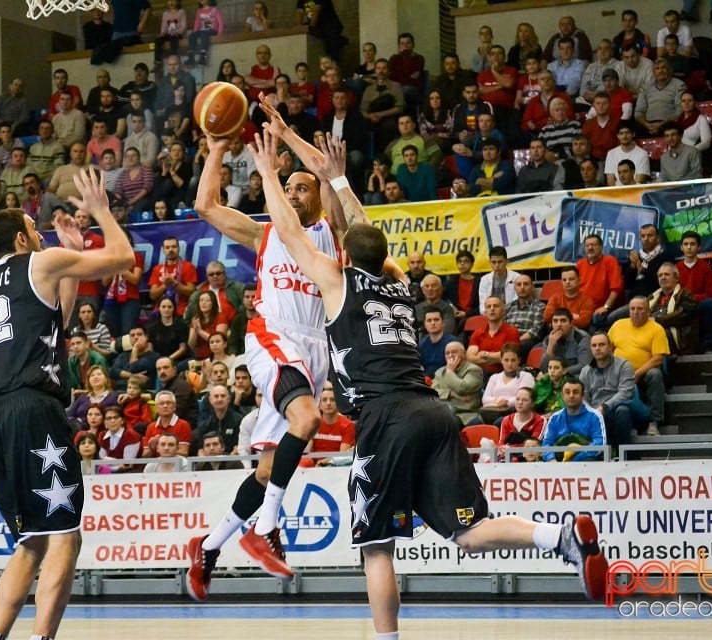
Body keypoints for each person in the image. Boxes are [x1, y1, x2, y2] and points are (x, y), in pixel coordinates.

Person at [248, 130, 607, 637]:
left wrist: (267, 172)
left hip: (384, 418)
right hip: (435, 411)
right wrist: (341, 181)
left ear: (345, 255)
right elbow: (368, 232)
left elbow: (288, 232)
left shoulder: (336, 281)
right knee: (468, 530)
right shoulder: (398, 280)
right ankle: (559, 535)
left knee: (376, 548)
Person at [187, 110, 363, 599]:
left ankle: (209, 546)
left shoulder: (332, 232)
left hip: (315, 347)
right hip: (273, 336)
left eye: (300, 189)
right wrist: (219, 146)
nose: (292, 193)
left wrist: (287, 137)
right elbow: (205, 204)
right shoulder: (265, 233)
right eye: (287, 188)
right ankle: (266, 528)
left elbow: (328, 176)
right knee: (307, 420)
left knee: (268, 470)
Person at [0, 169, 135, 640]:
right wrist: (102, 211)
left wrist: (75, 251)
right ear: (22, 239)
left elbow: (55, 321)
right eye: (34, 229)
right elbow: (122, 257)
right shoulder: (38, 262)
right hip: (29, 408)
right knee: (65, 534)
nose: (40, 234)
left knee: (30, 540)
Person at [608, 297, 670, 436]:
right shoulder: (618, 325)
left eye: (640, 309)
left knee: (655, 374)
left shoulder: (656, 329)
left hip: (644, 372)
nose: (636, 312)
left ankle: (654, 421)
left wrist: (637, 373)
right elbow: (607, 350)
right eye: (632, 309)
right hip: (619, 372)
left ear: (648, 311)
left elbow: (658, 359)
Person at [579, 332, 635, 451]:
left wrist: (605, 407)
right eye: (594, 345)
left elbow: (625, 393)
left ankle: (625, 457)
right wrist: (592, 412)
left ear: (610, 347)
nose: (597, 348)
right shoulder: (585, 371)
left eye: (601, 345)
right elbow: (583, 397)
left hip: (617, 409)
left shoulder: (624, 365)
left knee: (622, 411)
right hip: (595, 411)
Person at [540, 378, 607, 462]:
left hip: (585, 461)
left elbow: (599, 444)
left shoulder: (595, 416)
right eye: (567, 392)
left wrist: (572, 460)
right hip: (558, 463)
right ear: (562, 395)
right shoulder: (555, 417)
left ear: (582, 396)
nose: (571, 395)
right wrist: (551, 459)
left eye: (575, 392)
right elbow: (546, 444)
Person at [430, 341, 483, 424]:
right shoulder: (439, 372)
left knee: (448, 423)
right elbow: (432, 393)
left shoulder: (474, 370)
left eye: (454, 352)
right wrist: (451, 394)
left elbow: (462, 388)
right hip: (444, 412)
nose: (450, 355)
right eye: (447, 353)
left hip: (466, 414)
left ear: (464, 354)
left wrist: (450, 372)